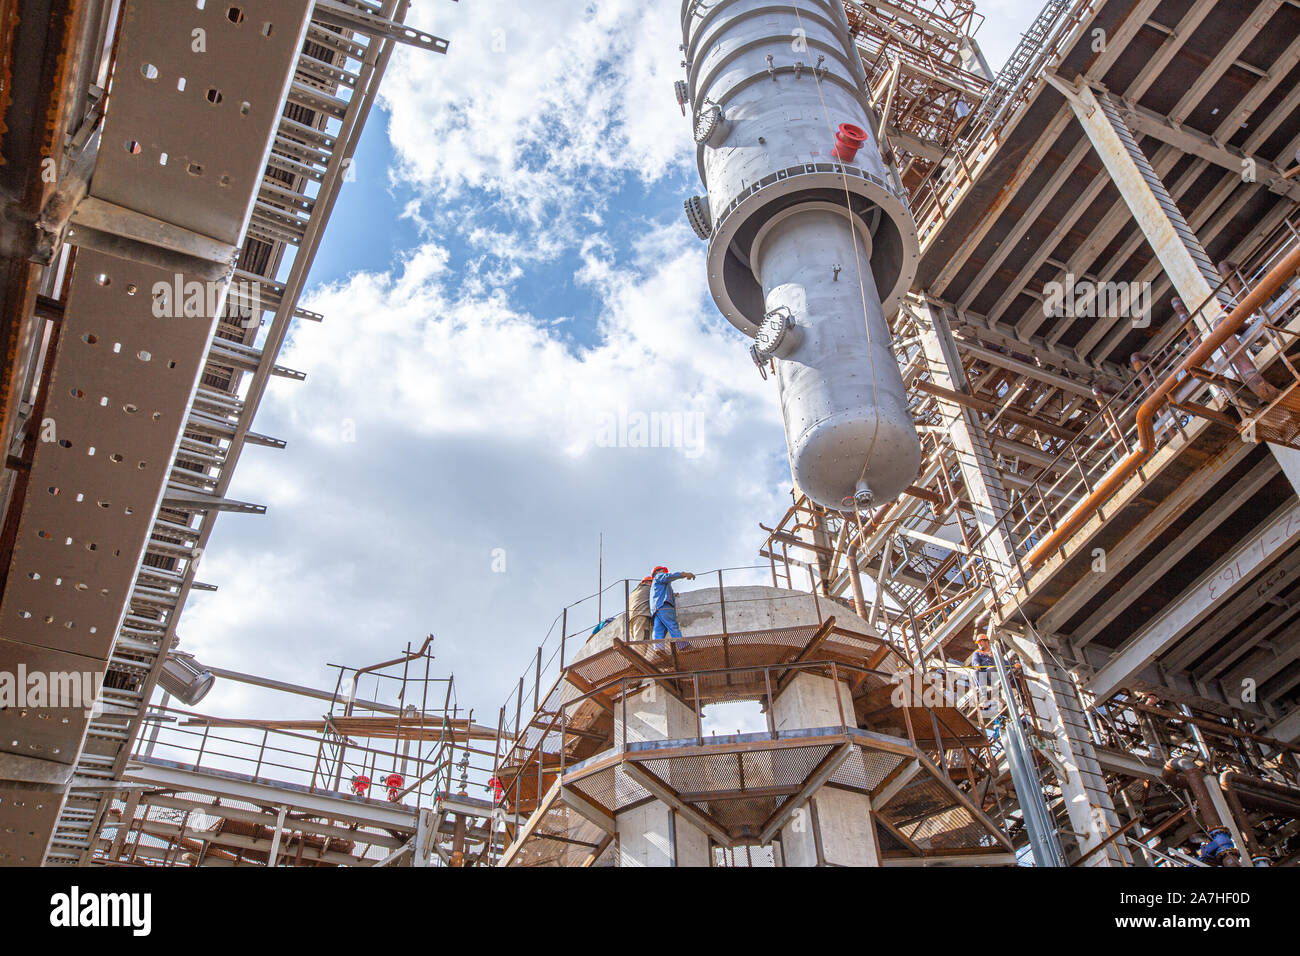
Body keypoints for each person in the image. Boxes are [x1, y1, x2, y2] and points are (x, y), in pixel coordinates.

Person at [650, 565, 695, 652]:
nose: (664, 572)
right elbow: (668, 576)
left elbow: (659, 593)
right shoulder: (659, 576)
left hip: (656, 609)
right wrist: (684, 574)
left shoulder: (656, 584)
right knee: (672, 625)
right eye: (663, 570)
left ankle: (659, 649)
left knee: (659, 629)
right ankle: (683, 646)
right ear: (658, 571)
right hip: (664, 605)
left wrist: (673, 595)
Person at [629, 575, 653, 643]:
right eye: (652, 583)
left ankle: (634, 653)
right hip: (642, 616)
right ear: (647, 582)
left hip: (631, 618)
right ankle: (635, 654)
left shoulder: (633, 593)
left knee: (636, 639)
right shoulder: (648, 588)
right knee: (642, 640)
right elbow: (659, 594)